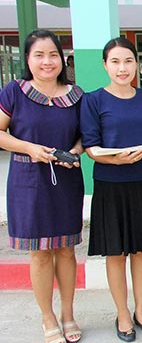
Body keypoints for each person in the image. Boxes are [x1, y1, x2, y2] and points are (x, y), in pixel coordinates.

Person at [81, 37, 142, 342]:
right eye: (115, 62)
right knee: (116, 253)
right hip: (110, 184)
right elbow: (90, 146)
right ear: (105, 65)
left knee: (141, 250)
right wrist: (115, 159)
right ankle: (122, 313)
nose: (122, 68)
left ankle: (141, 310)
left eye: (128, 61)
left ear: (136, 64)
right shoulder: (93, 100)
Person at [0, 30, 84, 343]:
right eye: (39, 55)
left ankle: (68, 313)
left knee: (65, 249)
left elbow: (84, 135)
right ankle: (47, 317)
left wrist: (75, 151)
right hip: (28, 180)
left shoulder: (76, 95)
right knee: (40, 253)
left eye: (53, 55)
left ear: (62, 59)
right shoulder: (14, 92)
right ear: (28, 59)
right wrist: (29, 148)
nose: (47, 62)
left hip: (65, 179)